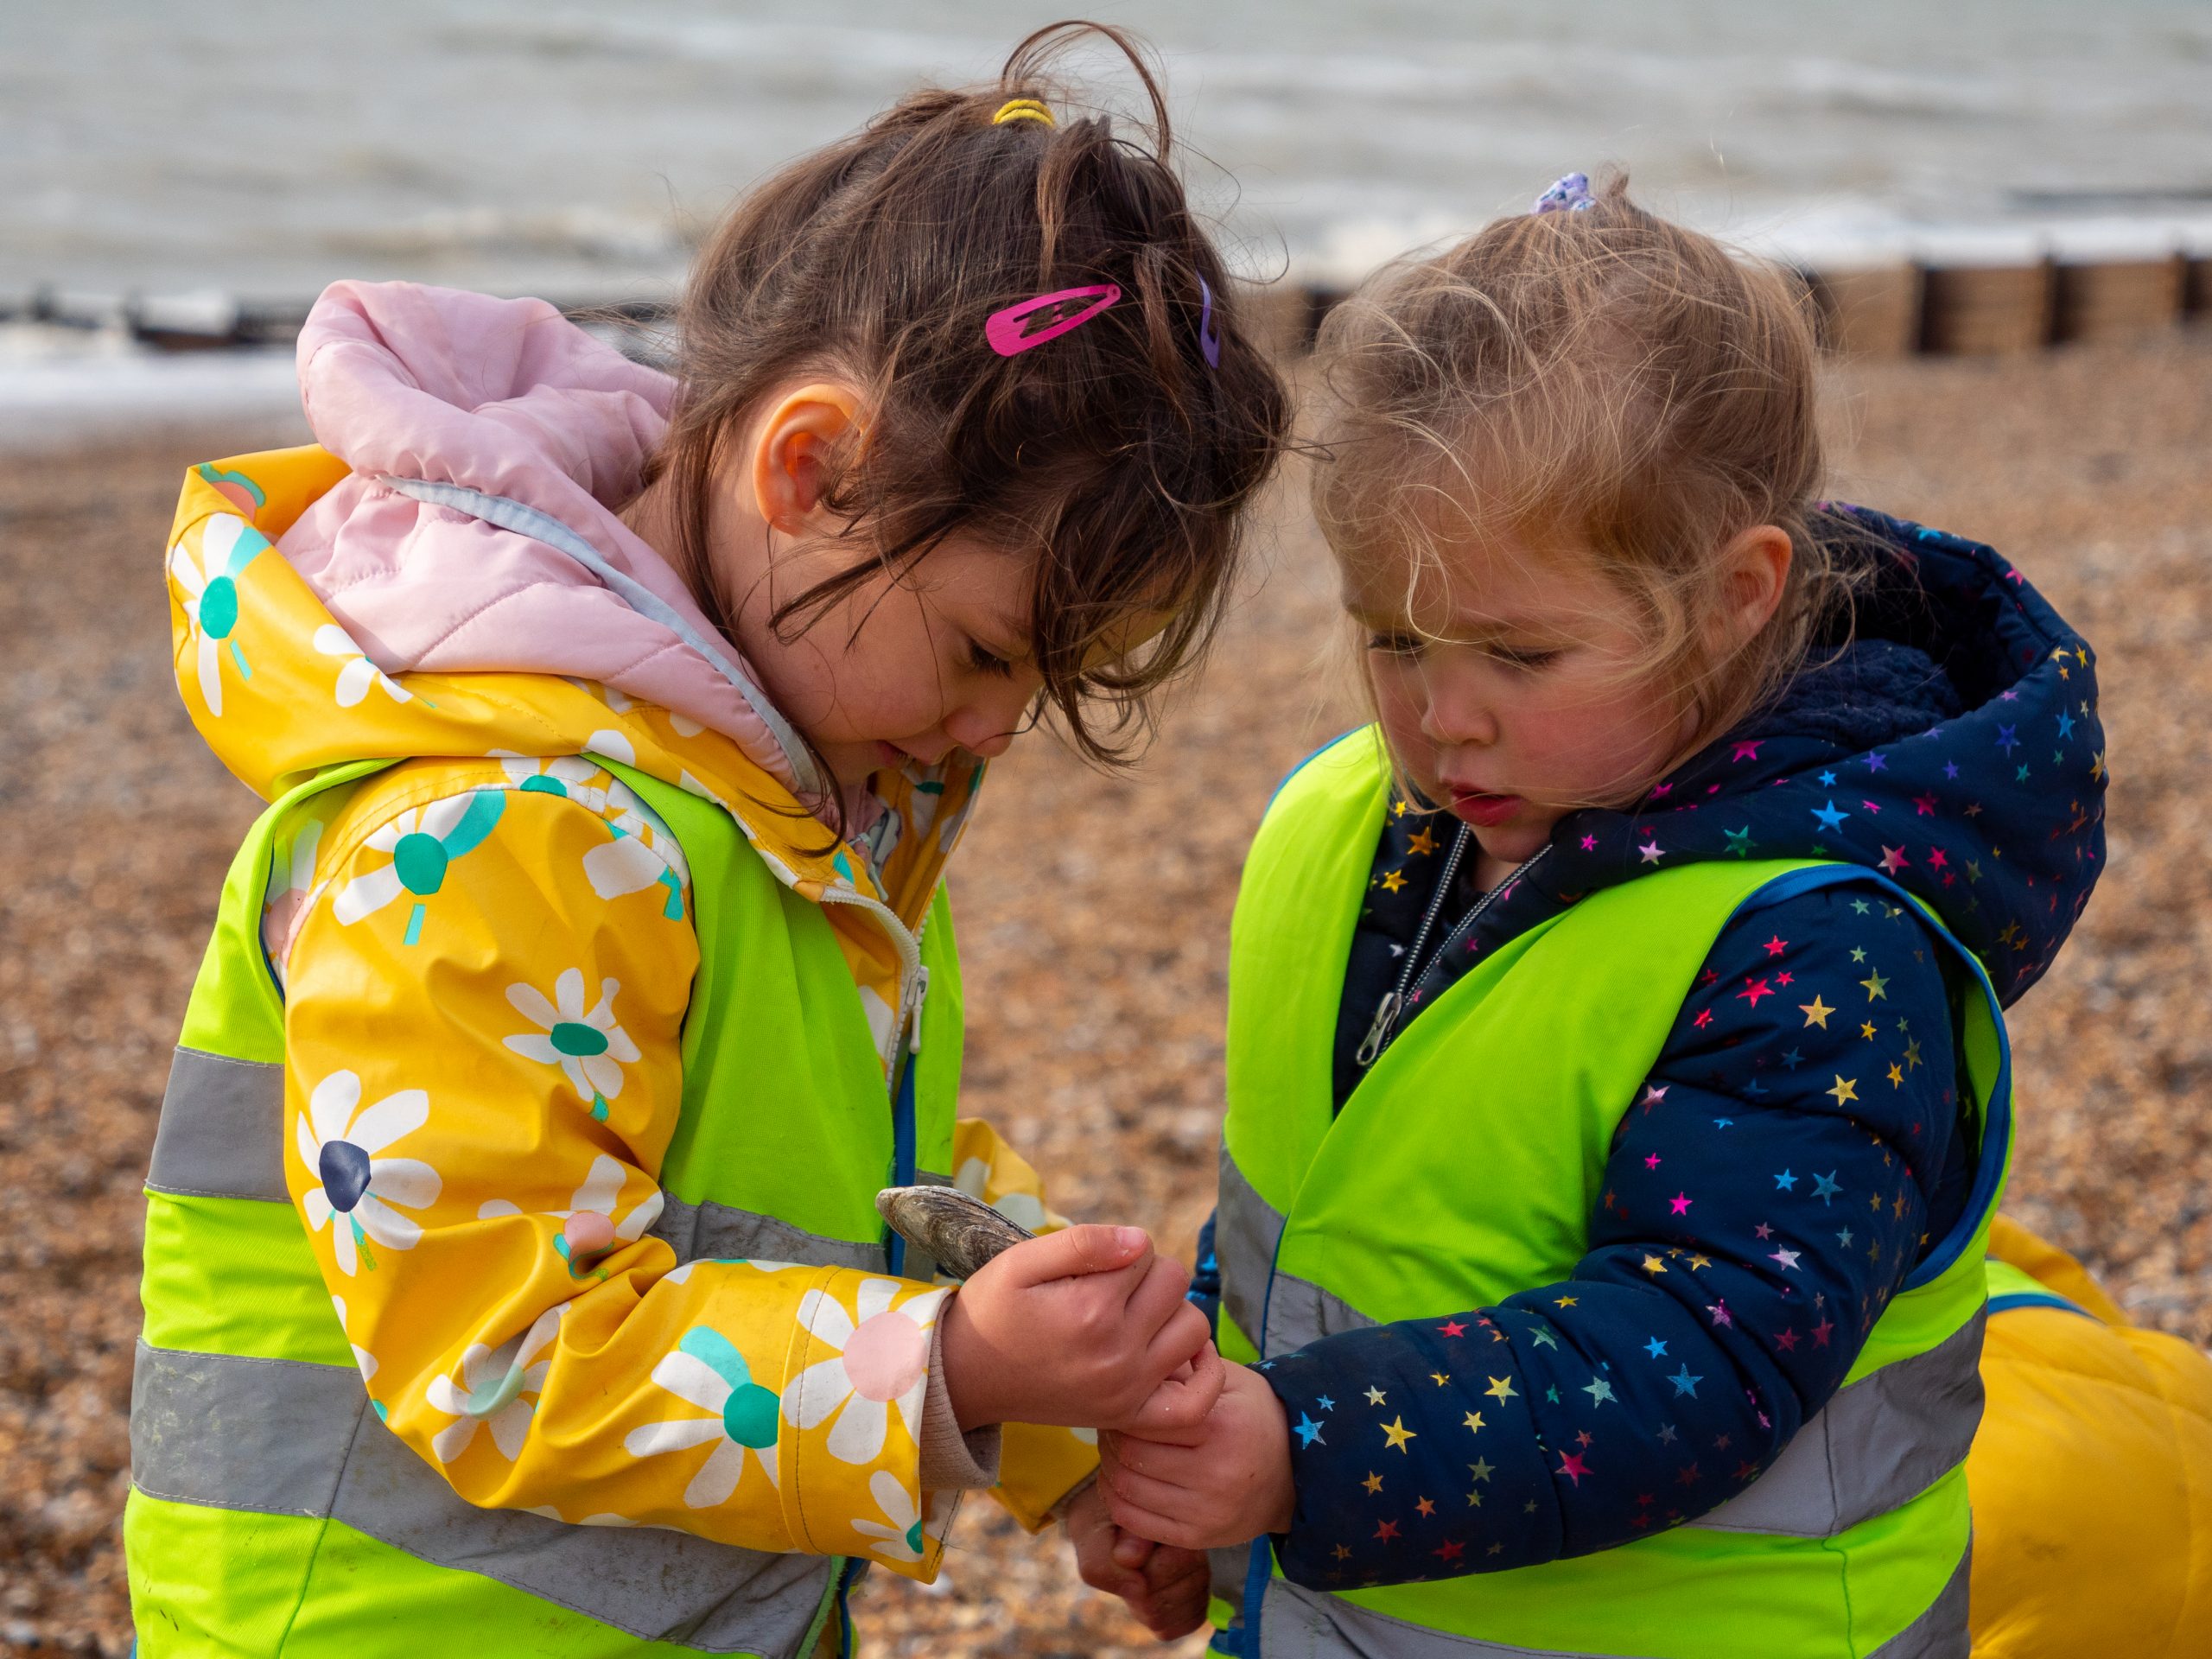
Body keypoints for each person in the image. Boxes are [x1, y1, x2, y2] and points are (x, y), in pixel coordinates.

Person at [127, 22, 1286, 1655]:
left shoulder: (806, 794)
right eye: (982, 653)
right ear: (811, 470)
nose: (992, 732)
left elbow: (838, 1196)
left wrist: (1065, 1435)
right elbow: (504, 1353)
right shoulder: (500, 829)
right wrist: (952, 1371)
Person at [1093, 171, 2206, 1657]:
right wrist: (1197, 1460)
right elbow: (1316, 1214)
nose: (1443, 717)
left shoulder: (1816, 949)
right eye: (1393, 639)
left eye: (1518, 652)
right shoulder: (1356, 827)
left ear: (1738, 596)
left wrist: (1302, 1454)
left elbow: (1710, 1344)